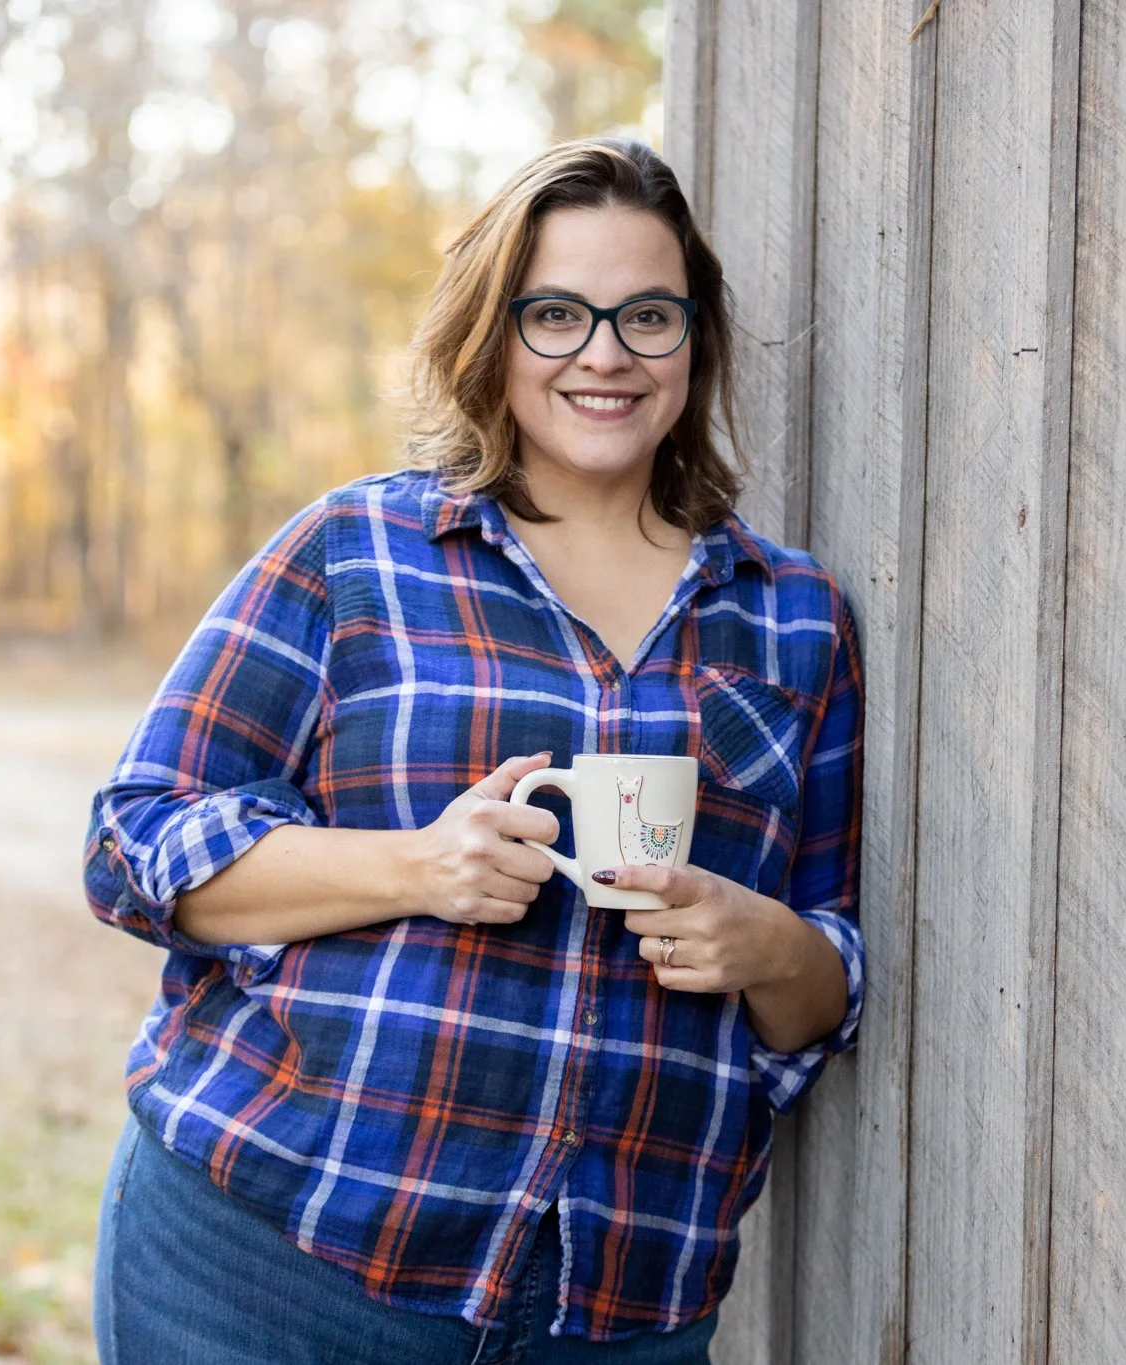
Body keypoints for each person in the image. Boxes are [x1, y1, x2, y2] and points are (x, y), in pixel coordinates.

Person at [82, 137, 865, 1365]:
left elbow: (826, 975)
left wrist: (767, 945)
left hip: (611, 1310)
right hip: (271, 1264)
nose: (603, 353)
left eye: (647, 316)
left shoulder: (791, 615)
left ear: (694, 342)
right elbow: (135, 842)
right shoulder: (355, 551)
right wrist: (416, 868)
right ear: (491, 334)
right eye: (555, 313)